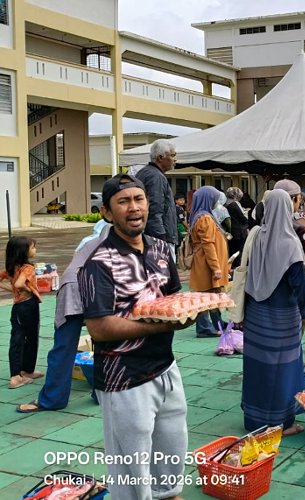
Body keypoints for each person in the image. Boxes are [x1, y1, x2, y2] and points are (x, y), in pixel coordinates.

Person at [79, 173, 192, 499]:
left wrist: (186, 312)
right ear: (107, 212)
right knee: (131, 465)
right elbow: (99, 328)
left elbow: (174, 299)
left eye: (138, 199)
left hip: (166, 367)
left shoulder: (159, 250)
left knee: (172, 448)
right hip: (123, 376)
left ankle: (169, 494)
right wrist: (163, 325)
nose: (133, 208)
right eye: (123, 201)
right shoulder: (98, 262)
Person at [243, 189, 305, 434]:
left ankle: (255, 421)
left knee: (258, 366)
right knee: (283, 367)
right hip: (281, 316)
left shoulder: (257, 236)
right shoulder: (289, 243)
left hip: (256, 314)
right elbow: (299, 284)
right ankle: (281, 423)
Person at [17, 220, 111, 413]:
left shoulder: (95, 237)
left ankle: (60, 397)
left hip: (90, 286)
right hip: (80, 287)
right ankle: (63, 397)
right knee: (74, 345)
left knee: (72, 345)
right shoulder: (114, 236)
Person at [1, 236, 42, 389]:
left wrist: (12, 289)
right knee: (31, 338)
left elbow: (10, 282)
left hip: (17, 307)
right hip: (29, 306)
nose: (35, 250)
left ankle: (19, 373)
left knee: (17, 339)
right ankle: (22, 373)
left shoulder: (12, 268)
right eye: (33, 247)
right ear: (23, 251)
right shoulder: (27, 268)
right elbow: (19, 283)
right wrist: (28, 288)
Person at [189, 186, 230, 338]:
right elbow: (208, 244)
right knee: (204, 296)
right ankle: (204, 327)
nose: (216, 201)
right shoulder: (204, 218)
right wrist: (216, 267)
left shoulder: (203, 215)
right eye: (214, 198)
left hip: (207, 263)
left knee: (213, 294)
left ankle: (217, 323)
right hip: (206, 264)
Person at [135, 139, 179, 246]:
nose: (175, 159)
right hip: (158, 240)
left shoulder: (145, 172)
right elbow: (154, 212)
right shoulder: (156, 177)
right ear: (160, 157)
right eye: (173, 155)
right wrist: (161, 239)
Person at [225, 187, 249, 267]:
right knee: (238, 251)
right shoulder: (235, 204)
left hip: (232, 231)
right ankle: (237, 268)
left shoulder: (226, 204)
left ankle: (231, 267)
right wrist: (246, 214)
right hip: (239, 232)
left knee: (232, 250)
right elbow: (243, 219)